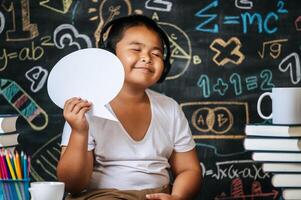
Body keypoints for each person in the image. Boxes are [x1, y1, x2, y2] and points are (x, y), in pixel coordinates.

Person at [57, 15, 202, 200]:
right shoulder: (86, 109)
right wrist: (79, 132)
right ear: (110, 56)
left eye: (156, 54)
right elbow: (72, 184)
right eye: (136, 49)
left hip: (158, 195)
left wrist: (177, 197)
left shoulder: (169, 108)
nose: (147, 58)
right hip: (103, 196)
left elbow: (189, 169)